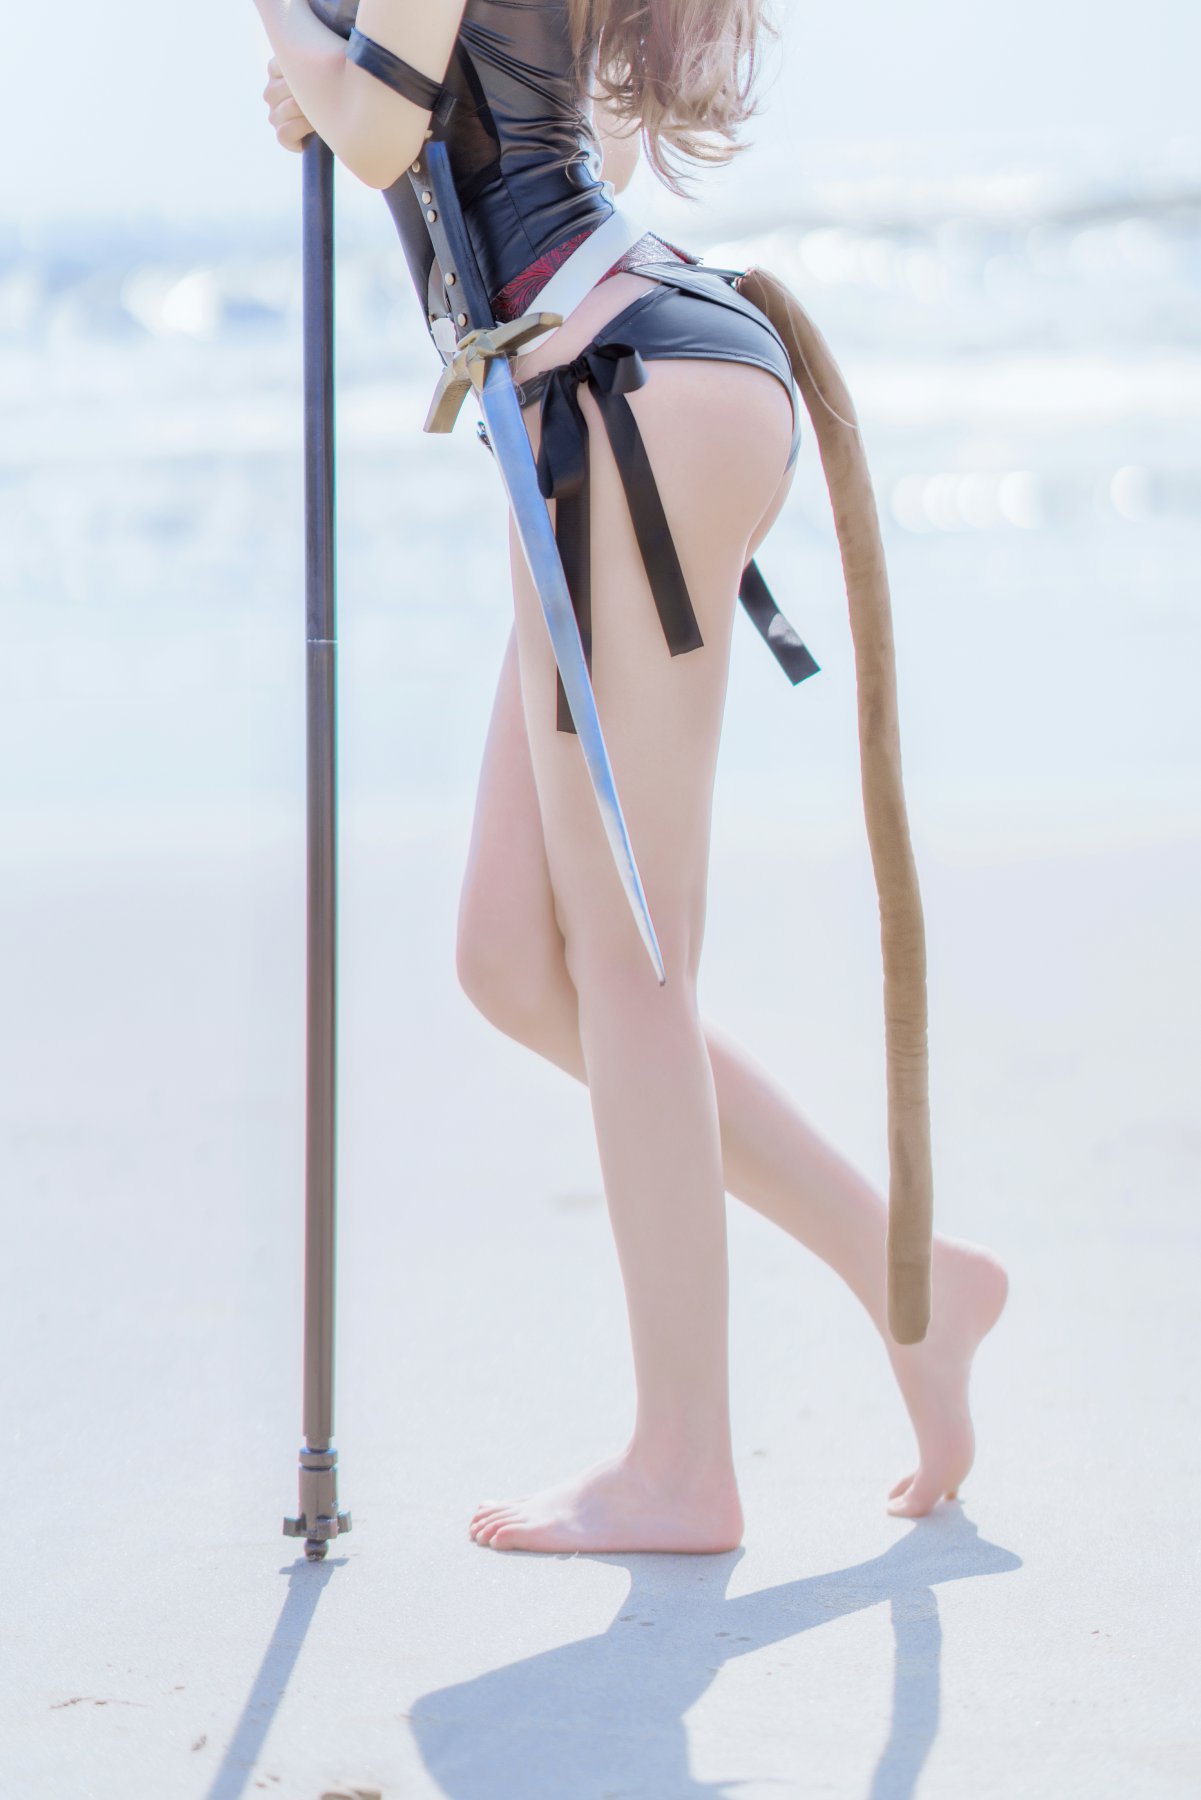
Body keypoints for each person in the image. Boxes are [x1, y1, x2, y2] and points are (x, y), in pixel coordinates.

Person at [255, 0, 1009, 1554]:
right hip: (611, 385)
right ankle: (910, 1279)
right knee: (507, 955)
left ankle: (681, 1467)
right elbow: (477, 115)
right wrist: (326, 83)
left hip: (619, 398)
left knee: (630, 960)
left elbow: (388, 134)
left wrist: (309, 52)